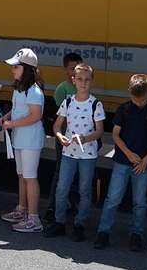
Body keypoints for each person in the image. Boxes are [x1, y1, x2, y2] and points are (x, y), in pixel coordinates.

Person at [92, 74, 147, 250]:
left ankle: (136, 234)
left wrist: (145, 160)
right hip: (123, 161)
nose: (138, 102)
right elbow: (116, 134)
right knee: (113, 198)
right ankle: (103, 232)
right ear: (130, 93)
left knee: (140, 201)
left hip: (143, 164)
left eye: (142, 99)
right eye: (135, 99)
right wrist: (129, 154)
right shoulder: (123, 110)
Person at [44, 63, 105, 241]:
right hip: (68, 152)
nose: (83, 83)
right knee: (62, 187)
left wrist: (86, 138)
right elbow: (57, 125)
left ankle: (80, 224)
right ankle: (59, 222)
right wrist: (60, 136)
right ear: (73, 80)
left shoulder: (96, 104)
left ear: (92, 81)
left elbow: (100, 130)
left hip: (88, 154)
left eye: (87, 80)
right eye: (79, 79)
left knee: (85, 190)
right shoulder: (68, 101)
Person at [0, 48, 46, 233]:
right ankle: (22, 209)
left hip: (30, 140)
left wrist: (11, 123)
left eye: (16, 67)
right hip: (20, 138)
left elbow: (35, 116)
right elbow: (17, 109)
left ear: (27, 69)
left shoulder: (34, 91)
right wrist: (6, 117)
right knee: (22, 175)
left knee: (30, 177)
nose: (13, 70)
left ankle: (34, 218)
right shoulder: (20, 89)